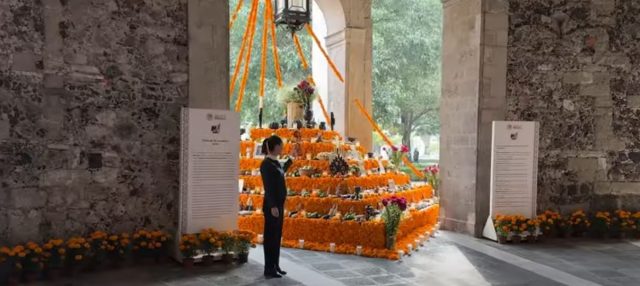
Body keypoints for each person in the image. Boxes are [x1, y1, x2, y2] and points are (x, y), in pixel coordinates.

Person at [260, 135, 293, 279]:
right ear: (274, 147)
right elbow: (268, 188)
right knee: (270, 238)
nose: (282, 147)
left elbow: (281, 173)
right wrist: (273, 206)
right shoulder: (266, 164)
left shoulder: (275, 163)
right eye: (280, 145)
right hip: (271, 206)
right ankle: (269, 268)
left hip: (279, 205)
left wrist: (291, 160)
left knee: (277, 236)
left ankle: (276, 265)